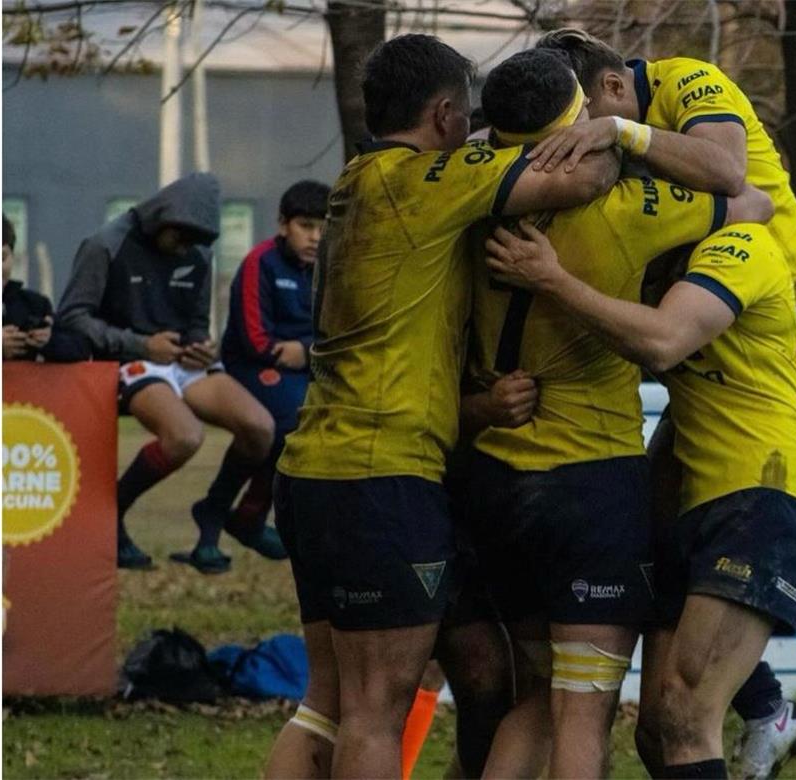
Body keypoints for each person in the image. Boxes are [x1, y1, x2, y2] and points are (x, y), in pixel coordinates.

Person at [533, 29, 796, 779]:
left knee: (793, 518)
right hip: (713, 320)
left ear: (608, 89)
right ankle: (763, 701)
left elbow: (731, 176)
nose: (579, 148)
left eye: (581, 126)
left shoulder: (682, 82)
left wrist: (620, 133)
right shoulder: (605, 148)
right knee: (659, 526)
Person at [265, 34, 620, 779]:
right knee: (374, 711)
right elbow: (583, 181)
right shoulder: (434, 178)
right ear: (446, 114)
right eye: (471, 116)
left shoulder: (358, 181)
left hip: (314, 470)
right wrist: (607, 125)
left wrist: (477, 405)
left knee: (329, 702)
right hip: (380, 477)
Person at [460, 49, 773, 778]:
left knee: (533, 695)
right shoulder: (629, 206)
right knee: (581, 705)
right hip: (588, 481)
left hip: (491, 477)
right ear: (577, 115)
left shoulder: (466, 199)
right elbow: (750, 200)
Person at [487, 221, 796, 780]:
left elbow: (662, 341)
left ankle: (780, 714)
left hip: (760, 495)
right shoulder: (660, 266)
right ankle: (769, 711)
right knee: (657, 730)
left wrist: (552, 277)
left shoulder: (741, 243)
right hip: (692, 511)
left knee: (686, 711)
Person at [56, 172, 276, 571]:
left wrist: (199, 345)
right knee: (184, 436)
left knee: (260, 427)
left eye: (196, 241)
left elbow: (194, 317)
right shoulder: (106, 244)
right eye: (181, 237)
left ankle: (212, 512)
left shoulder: (197, 251)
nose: (186, 248)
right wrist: (141, 345)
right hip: (128, 358)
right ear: (162, 218)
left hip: (178, 360)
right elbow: (71, 317)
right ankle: (110, 516)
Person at [207, 180, 333, 568]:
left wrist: (308, 351)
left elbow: (338, 331)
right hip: (251, 367)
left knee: (318, 421)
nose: (315, 237)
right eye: (305, 226)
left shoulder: (331, 269)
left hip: (303, 365)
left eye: (322, 227)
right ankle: (237, 513)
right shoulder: (259, 262)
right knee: (293, 417)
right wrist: (301, 352)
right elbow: (253, 338)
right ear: (283, 225)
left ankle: (248, 514)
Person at [2, 216, 54, 362]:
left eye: (2, 258)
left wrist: (49, 340)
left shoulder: (35, 305)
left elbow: (79, 347)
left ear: (12, 256)